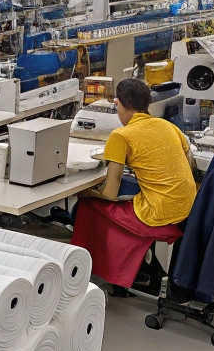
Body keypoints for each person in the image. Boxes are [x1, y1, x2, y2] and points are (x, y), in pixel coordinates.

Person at [71, 77, 197, 294]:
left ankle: (94, 273)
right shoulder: (168, 126)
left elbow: (110, 193)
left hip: (159, 215)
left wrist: (85, 192)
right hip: (189, 209)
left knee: (87, 207)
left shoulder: (121, 135)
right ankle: (140, 269)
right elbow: (189, 168)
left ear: (118, 103)